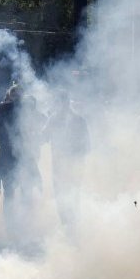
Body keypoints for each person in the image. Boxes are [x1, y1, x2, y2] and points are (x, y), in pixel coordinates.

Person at [0, 84, 42, 241]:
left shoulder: (0, 109)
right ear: (23, 95)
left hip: (6, 156)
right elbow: (35, 131)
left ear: (10, 95)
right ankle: (26, 227)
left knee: (9, 193)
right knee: (26, 192)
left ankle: (11, 228)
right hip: (25, 155)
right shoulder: (29, 108)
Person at [44, 98, 91, 229]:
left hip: (68, 163)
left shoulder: (56, 119)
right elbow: (88, 145)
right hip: (66, 163)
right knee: (69, 191)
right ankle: (70, 222)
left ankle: (69, 222)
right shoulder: (76, 119)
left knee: (67, 191)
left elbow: (44, 136)